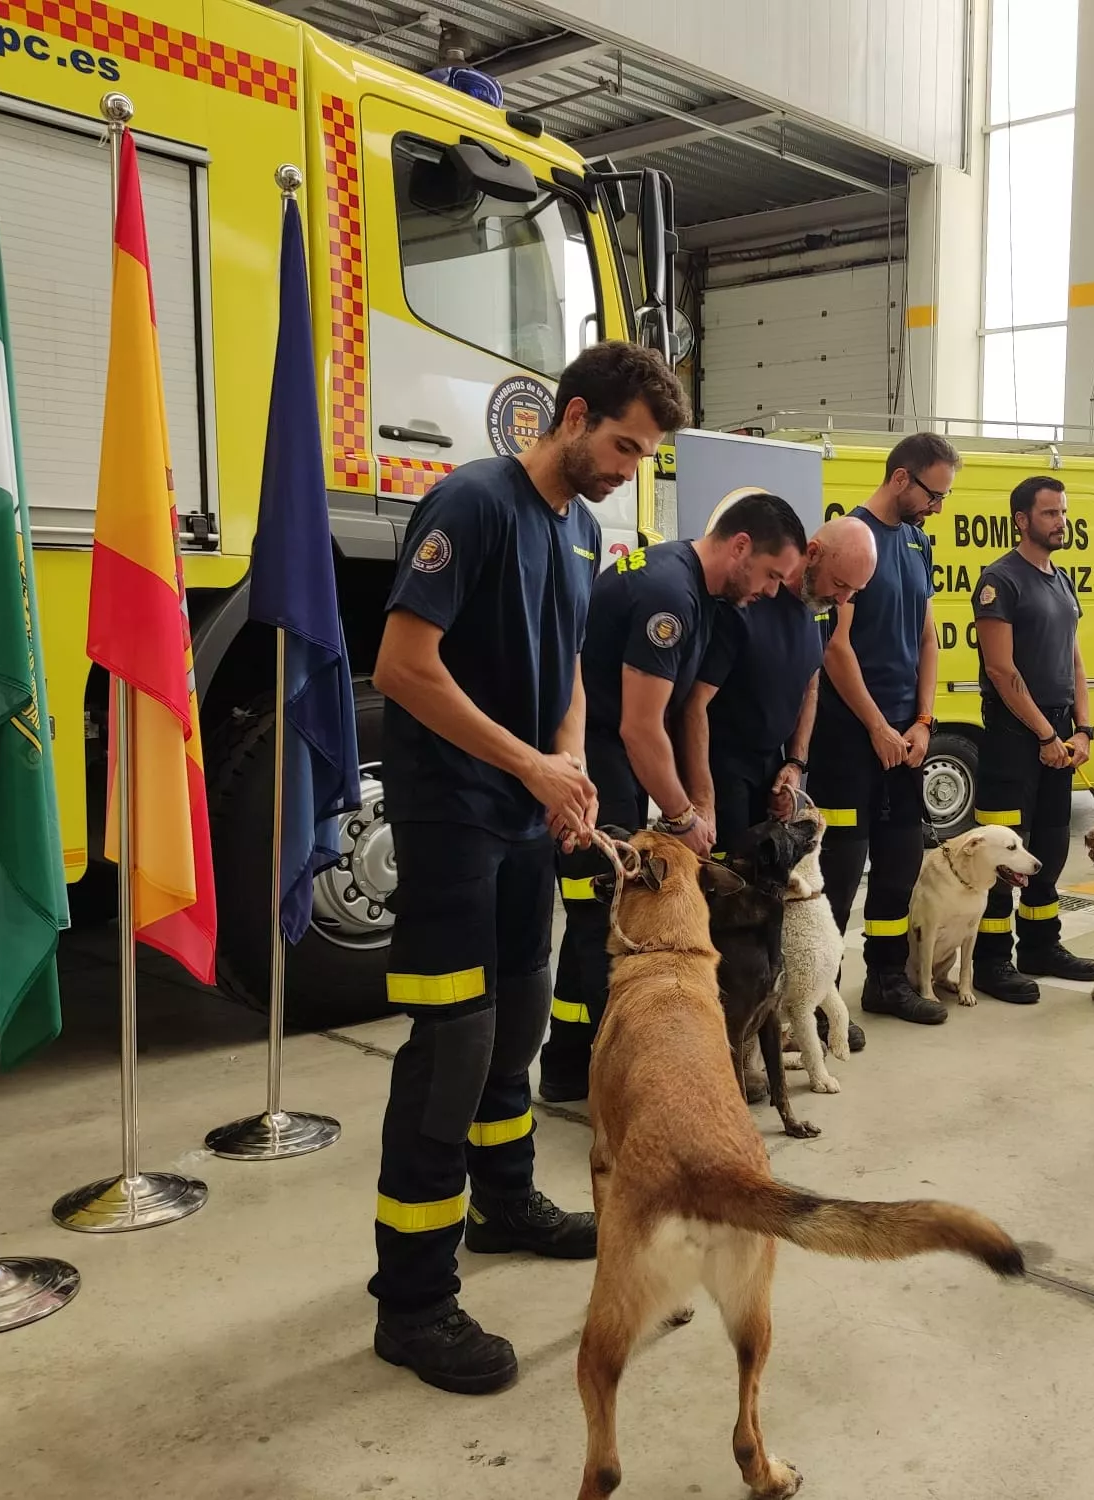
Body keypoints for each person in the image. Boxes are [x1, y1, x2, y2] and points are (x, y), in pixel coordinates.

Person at [365, 341, 683, 1396]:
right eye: (622, 445)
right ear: (575, 413)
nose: (627, 467)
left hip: (522, 813)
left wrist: (571, 768)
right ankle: (412, 1300)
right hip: (451, 813)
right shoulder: (473, 504)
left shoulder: (584, 531)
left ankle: (505, 1202)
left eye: (642, 456)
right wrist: (529, 768)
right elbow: (403, 669)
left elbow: (570, 676)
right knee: (451, 1045)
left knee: (518, 1021)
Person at [539, 490, 809, 1102]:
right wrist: (683, 815)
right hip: (594, 762)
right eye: (770, 575)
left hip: (614, 761)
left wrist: (700, 802)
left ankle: (563, 1064)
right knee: (613, 926)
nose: (772, 592)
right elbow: (640, 726)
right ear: (739, 545)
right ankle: (641, 1087)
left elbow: (688, 710)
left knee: (592, 921)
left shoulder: (707, 596)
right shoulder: (670, 594)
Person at [811, 433, 953, 1026]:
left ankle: (887, 980)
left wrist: (922, 722)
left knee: (899, 862)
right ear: (901, 479)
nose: (937, 507)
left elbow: (927, 637)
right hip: (848, 737)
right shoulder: (853, 540)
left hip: (905, 736)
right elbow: (834, 649)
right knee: (839, 872)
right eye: (933, 493)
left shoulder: (918, 544)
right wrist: (876, 726)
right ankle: (821, 998)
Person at [968, 476, 1094, 1002]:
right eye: (1049, 514)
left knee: (1048, 845)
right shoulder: (1000, 581)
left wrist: (1083, 728)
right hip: (1013, 735)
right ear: (1022, 519)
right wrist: (1046, 734)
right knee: (1002, 852)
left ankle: (1041, 946)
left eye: (1063, 513)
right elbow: (1002, 671)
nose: (1060, 522)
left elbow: (1074, 658)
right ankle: (992, 961)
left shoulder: (1061, 580)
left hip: (1058, 733)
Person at [682, 511, 879, 851]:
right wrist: (702, 801)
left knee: (765, 889)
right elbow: (694, 704)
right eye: (840, 584)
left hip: (771, 766)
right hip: (721, 766)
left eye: (854, 591)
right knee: (725, 886)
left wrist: (795, 762)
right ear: (813, 552)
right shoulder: (747, 600)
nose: (843, 600)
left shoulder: (820, 607)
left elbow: (810, 684)